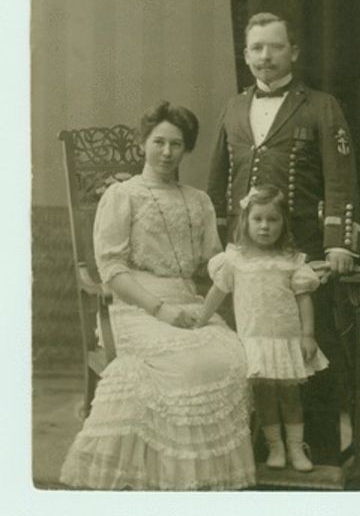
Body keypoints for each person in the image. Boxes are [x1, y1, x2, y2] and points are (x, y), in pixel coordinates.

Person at [60, 101, 256, 491]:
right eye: (158, 142)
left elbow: (212, 262)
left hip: (190, 304)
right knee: (185, 365)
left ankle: (202, 472)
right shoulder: (122, 195)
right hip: (136, 306)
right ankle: (167, 472)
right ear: (143, 143)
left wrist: (248, 261)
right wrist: (160, 310)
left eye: (176, 144)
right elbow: (111, 269)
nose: (167, 152)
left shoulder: (198, 200)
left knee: (235, 357)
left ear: (186, 149)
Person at [208, 12, 360, 465]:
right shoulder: (233, 107)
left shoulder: (321, 105)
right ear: (245, 55)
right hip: (245, 254)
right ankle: (255, 454)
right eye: (257, 48)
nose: (266, 56)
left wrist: (339, 242)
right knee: (251, 353)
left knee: (309, 352)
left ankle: (320, 455)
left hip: (302, 252)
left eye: (275, 47)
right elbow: (218, 178)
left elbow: (341, 177)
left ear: (292, 51)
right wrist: (216, 242)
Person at [196, 185, 328, 471]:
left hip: (286, 340)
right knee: (265, 397)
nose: (265, 226)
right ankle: (275, 447)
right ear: (246, 221)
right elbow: (217, 293)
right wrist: (200, 320)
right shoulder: (235, 260)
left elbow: (304, 299)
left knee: (291, 397)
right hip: (255, 341)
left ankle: (296, 448)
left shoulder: (291, 261)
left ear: (283, 223)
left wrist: (307, 334)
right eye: (258, 219)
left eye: (272, 219)